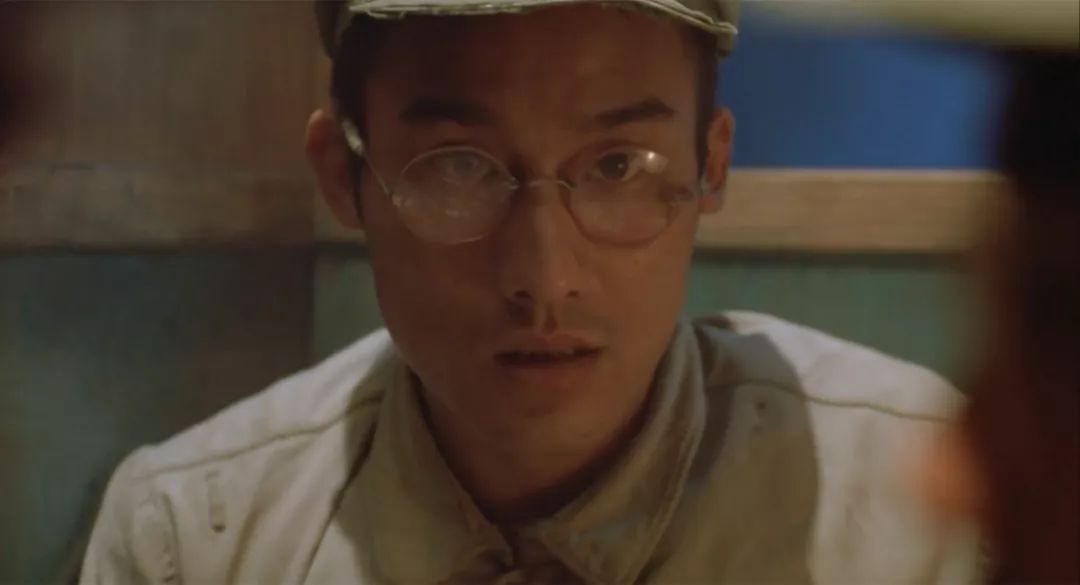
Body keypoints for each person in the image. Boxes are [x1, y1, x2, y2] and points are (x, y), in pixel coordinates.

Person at [79, 1, 979, 582]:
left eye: (618, 165)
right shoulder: (193, 542)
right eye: (459, 167)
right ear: (342, 173)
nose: (544, 278)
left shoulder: (921, 512)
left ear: (711, 164)